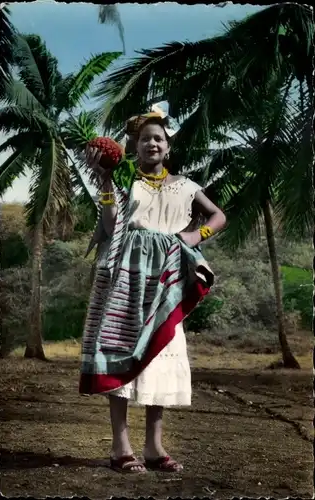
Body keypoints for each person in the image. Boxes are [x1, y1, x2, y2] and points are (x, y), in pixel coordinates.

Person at [79, 105, 226, 474]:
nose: (152, 144)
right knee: (123, 350)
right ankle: (120, 449)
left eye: (158, 138)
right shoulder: (127, 180)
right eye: (145, 139)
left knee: (160, 353)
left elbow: (219, 215)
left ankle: (155, 448)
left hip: (167, 275)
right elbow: (113, 228)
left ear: (168, 146)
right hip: (128, 274)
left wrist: (195, 235)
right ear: (136, 146)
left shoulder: (187, 186)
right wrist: (106, 183)